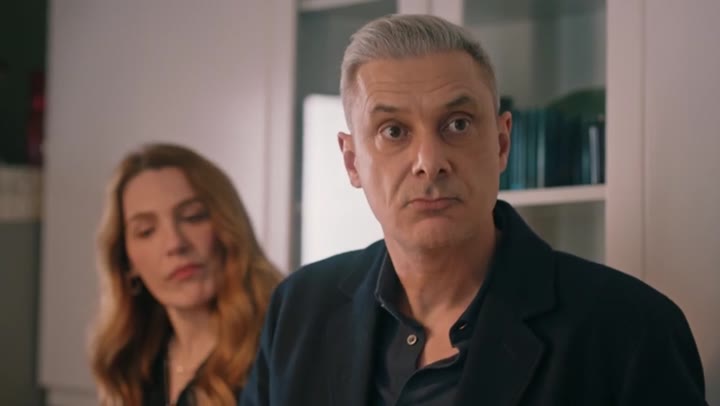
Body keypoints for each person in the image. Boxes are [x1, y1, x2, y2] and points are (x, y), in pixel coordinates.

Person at [240, 14, 708, 406]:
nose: (429, 162)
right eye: (393, 131)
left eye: (458, 124)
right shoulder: (297, 311)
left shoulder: (629, 329)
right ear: (351, 161)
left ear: (502, 142)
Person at [90, 143, 282, 405]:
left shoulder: (281, 346)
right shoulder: (133, 365)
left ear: (228, 227)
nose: (175, 243)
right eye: (146, 231)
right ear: (127, 262)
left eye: (193, 217)